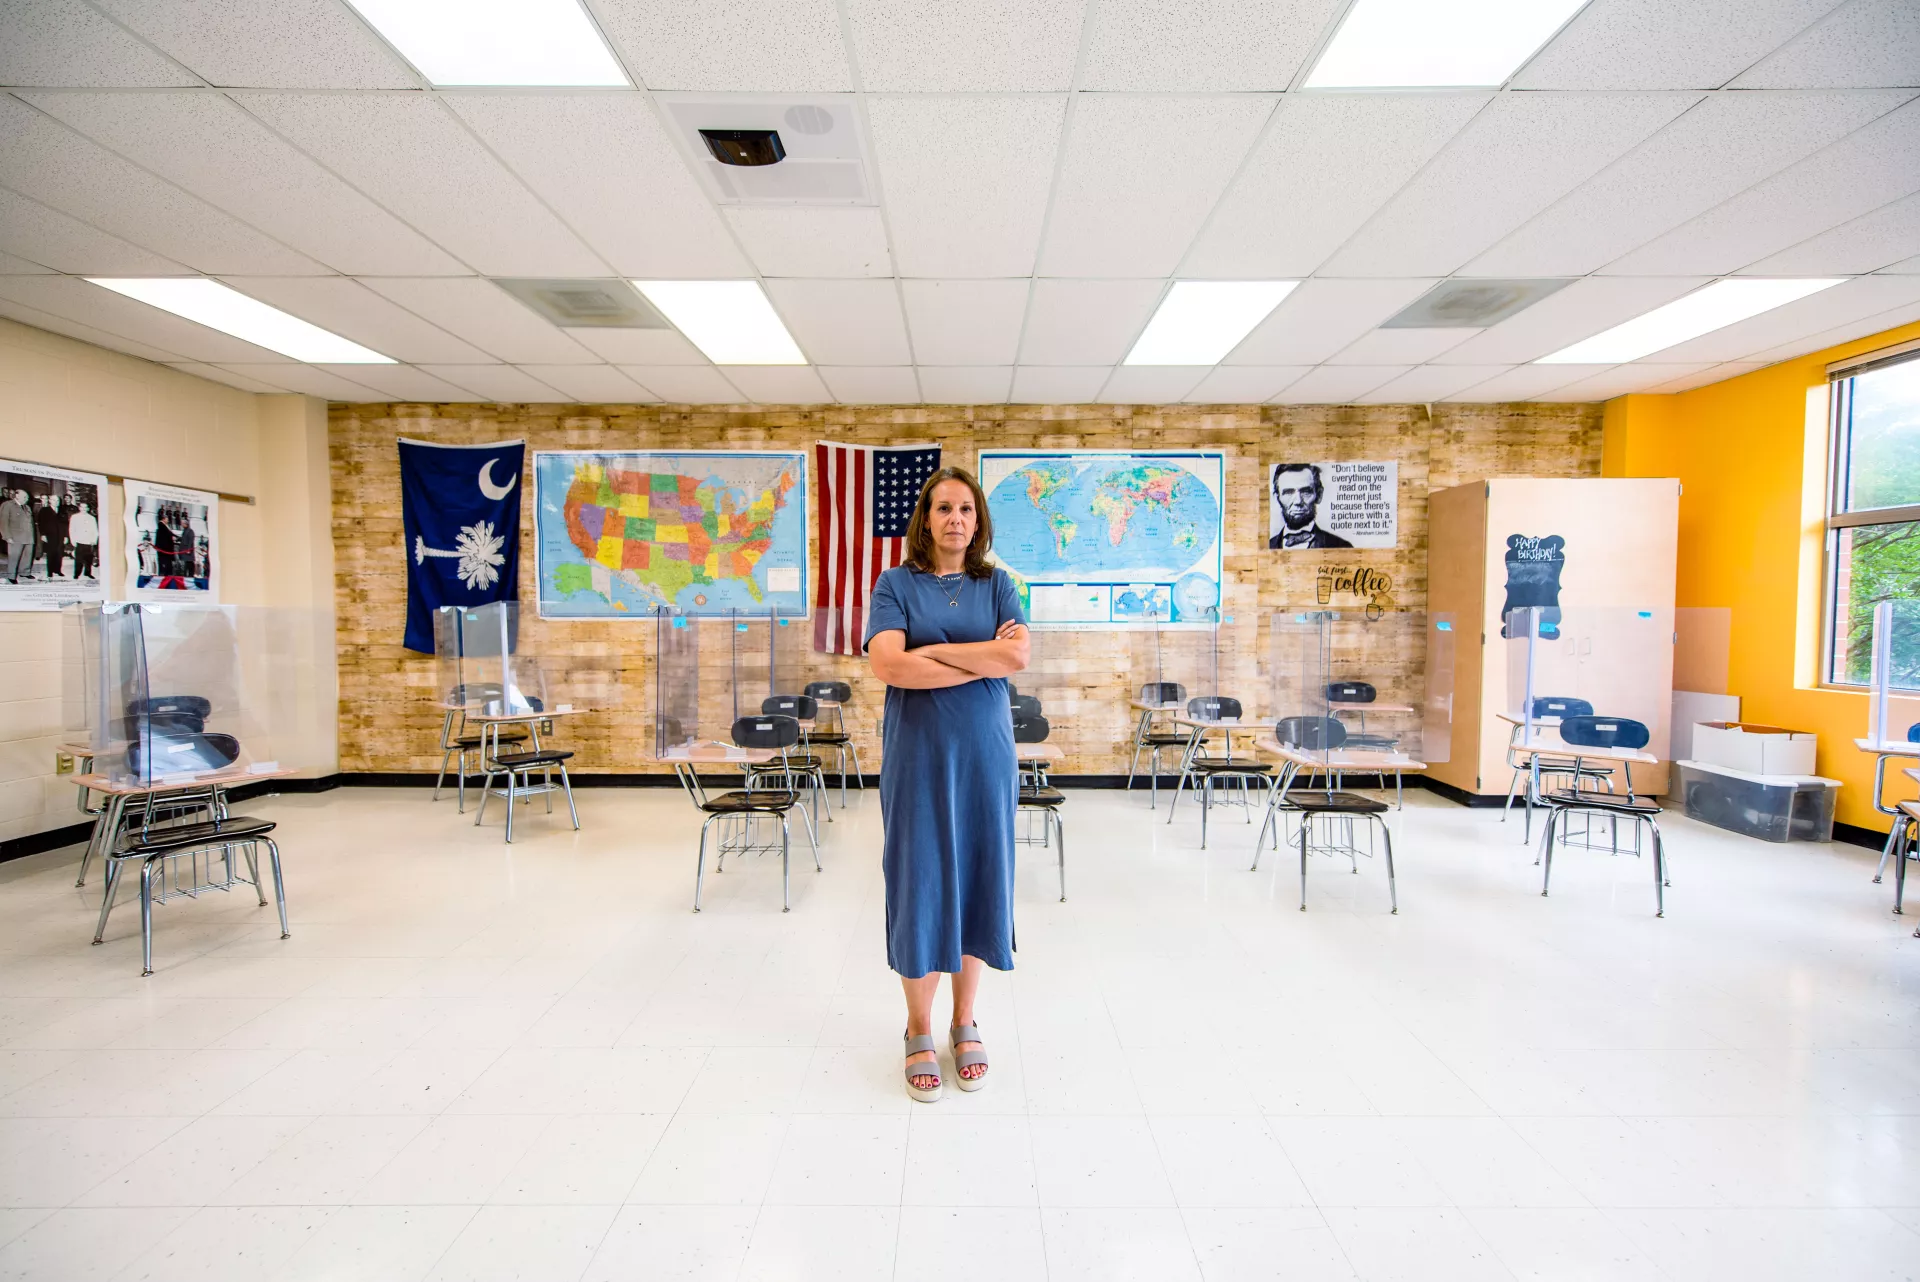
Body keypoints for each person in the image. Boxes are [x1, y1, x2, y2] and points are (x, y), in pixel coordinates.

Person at [864, 466, 1029, 1103]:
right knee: (920, 880)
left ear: (978, 520)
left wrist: (929, 655)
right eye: (942, 509)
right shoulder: (894, 583)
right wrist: (977, 653)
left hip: (986, 758)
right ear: (925, 520)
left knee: (980, 876)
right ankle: (918, 1025)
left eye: (965, 508)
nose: (954, 519)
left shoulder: (999, 584)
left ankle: (965, 1021)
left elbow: (1016, 658)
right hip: (918, 758)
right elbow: (887, 665)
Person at [1269, 462, 1352, 549]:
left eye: (1306, 492)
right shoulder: (1269, 546)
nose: (1298, 501)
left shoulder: (1342, 546)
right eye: (1288, 492)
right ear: (1277, 498)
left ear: (1319, 495)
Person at [1, 489, 31, 584]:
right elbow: (3, 522)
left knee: (27, 556)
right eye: (25, 497)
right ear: (17, 496)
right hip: (15, 536)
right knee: (14, 557)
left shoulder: (27, 507)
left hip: (28, 536)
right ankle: (11, 576)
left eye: (27, 497)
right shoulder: (8, 505)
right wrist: (7, 536)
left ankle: (25, 572)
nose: (27, 499)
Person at [35, 494, 67, 578]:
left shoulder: (62, 510)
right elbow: (41, 523)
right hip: (50, 536)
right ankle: (50, 572)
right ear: (49, 501)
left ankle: (58, 570)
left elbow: (66, 524)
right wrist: (43, 534)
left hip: (61, 536)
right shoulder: (44, 510)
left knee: (59, 553)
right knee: (51, 554)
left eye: (58, 501)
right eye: (54, 500)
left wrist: (66, 536)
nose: (56, 502)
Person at [68, 500, 98, 581]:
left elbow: (95, 530)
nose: (84, 509)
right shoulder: (74, 517)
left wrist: (94, 540)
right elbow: (72, 529)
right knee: (79, 559)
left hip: (89, 541)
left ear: (88, 509)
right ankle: (76, 574)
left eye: (85, 507)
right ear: (79, 508)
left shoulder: (92, 518)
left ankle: (88, 573)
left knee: (89, 559)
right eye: (82, 507)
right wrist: (73, 540)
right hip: (79, 541)